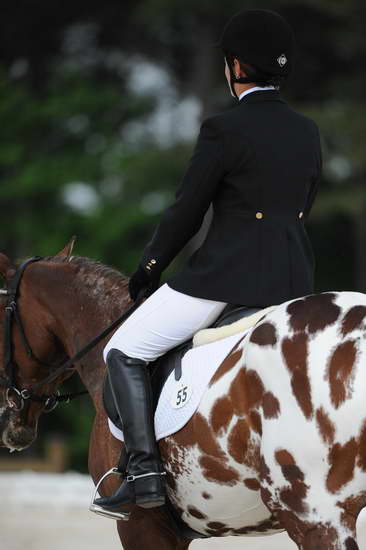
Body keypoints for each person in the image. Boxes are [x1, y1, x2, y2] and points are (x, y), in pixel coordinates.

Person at [94, 8, 322, 514]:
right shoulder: (307, 130)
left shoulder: (224, 128)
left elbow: (185, 211)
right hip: (292, 280)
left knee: (124, 351)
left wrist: (150, 267)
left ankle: (144, 472)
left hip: (225, 278)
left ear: (235, 65)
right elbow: (303, 203)